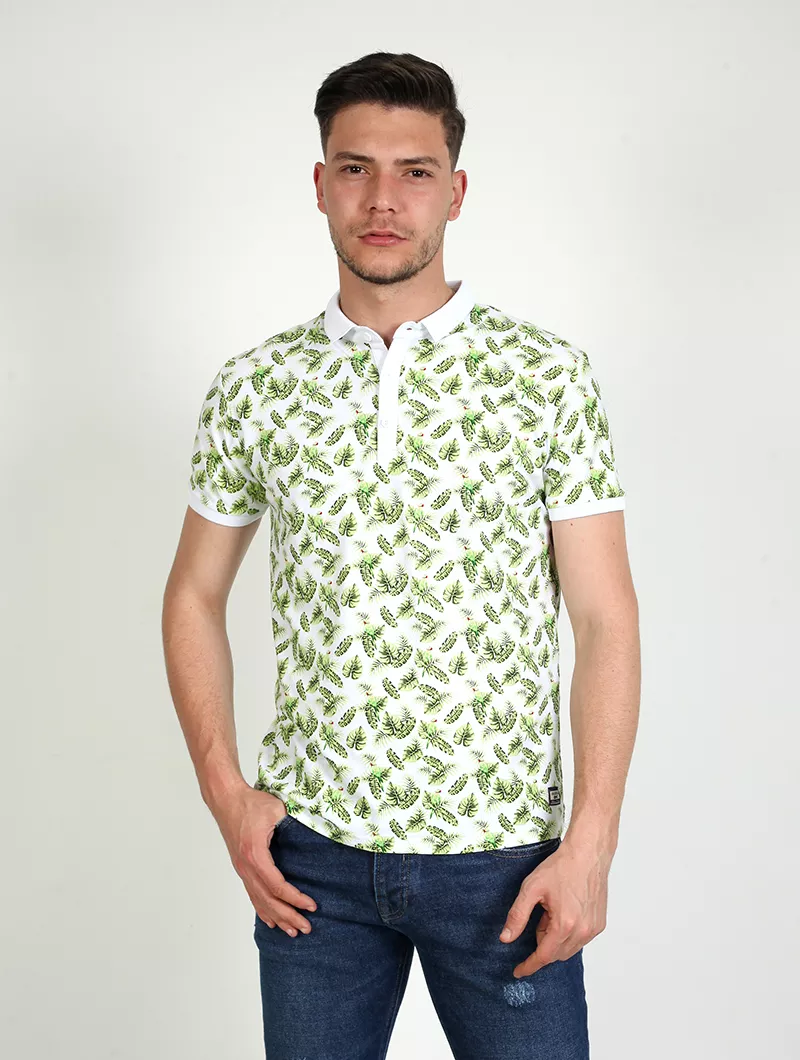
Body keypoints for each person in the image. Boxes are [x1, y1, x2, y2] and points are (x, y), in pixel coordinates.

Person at [162, 50, 641, 1060]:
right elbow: (193, 594)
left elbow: (604, 619)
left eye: (414, 171)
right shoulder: (255, 387)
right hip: (312, 864)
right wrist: (227, 795)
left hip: (505, 865)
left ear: (454, 191)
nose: (383, 199)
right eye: (356, 168)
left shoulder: (545, 377)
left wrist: (591, 842)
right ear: (320, 183)